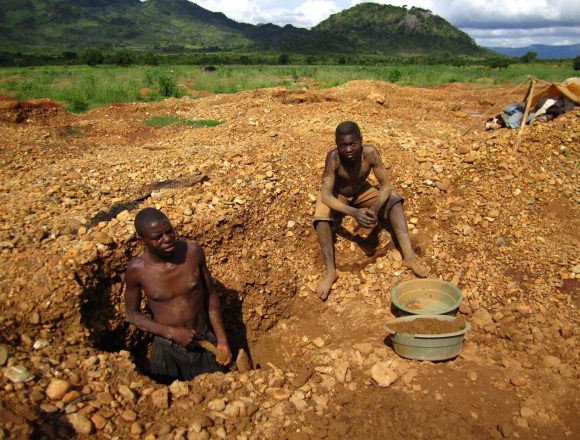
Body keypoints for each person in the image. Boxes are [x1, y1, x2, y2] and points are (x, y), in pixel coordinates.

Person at [313, 121, 429, 301]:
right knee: (320, 217)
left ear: (361, 141)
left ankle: (410, 257)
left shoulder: (370, 153)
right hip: (339, 194)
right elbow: (326, 195)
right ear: (337, 144)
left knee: (395, 202)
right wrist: (353, 212)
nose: (349, 149)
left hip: (362, 190)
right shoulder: (333, 158)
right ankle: (330, 272)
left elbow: (386, 186)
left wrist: (374, 209)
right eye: (343, 145)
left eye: (353, 143)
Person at [124, 207, 232, 381]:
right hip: (167, 350)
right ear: (141, 240)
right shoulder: (137, 270)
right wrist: (172, 333)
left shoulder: (193, 252)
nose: (167, 239)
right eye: (157, 237)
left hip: (203, 343)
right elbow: (131, 314)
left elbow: (211, 296)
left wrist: (222, 339)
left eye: (169, 231)